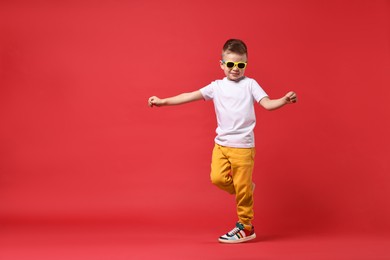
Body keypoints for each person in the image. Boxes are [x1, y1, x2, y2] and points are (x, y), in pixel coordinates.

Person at [148, 39, 297, 243]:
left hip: (243, 147)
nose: (235, 69)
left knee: (243, 191)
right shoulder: (216, 87)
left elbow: (268, 104)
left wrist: (283, 100)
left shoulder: (250, 84)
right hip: (221, 145)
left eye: (240, 65)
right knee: (218, 178)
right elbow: (190, 95)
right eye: (230, 64)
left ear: (246, 64)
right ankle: (245, 188)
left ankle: (246, 227)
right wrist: (164, 101)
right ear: (222, 64)